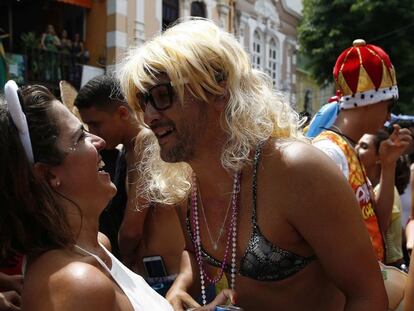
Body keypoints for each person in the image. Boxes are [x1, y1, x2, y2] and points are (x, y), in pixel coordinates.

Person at [118, 18, 387, 310]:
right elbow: (197, 256)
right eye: (142, 102)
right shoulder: (184, 186)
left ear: (217, 91)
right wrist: (181, 286)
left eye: (161, 95)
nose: (149, 116)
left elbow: (368, 296)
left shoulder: (295, 169)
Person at [0, 80, 233, 310]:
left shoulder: (98, 246)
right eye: (80, 136)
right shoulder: (79, 285)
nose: (98, 141)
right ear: (50, 175)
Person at [74, 75, 185, 296]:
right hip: (155, 276)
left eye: (96, 124)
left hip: (164, 280)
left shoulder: (147, 141)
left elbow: (132, 228)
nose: (93, 133)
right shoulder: (129, 149)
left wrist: (120, 265)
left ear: (123, 113)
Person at [313, 39, 412, 263]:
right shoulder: (329, 153)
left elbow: (378, 225)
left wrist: (388, 165)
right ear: (367, 102)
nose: (389, 117)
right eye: (388, 107)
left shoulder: (347, 149)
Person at [357, 130, 408, 271]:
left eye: (364, 146)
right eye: (357, 144)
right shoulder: (368, 185)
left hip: (391, 270)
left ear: (380, 158)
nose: (356, 149)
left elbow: (381, 227)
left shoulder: (383, 190)